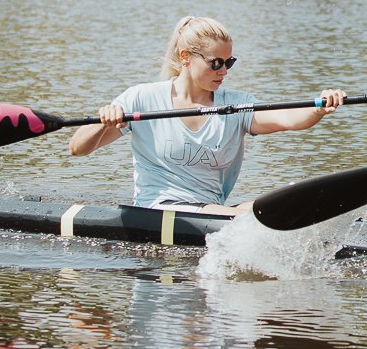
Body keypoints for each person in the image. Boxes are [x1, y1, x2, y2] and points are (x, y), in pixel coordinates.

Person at [68, 15, 344, 211]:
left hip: (210, 211)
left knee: (257, 208)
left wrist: (318, 106)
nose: (223, 71)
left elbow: (287, 119)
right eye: (215, 63)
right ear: (185, 56)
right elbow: (78, 148)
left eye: (229, 62)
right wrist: (103, 122)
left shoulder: (234, 105)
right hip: (156, 210)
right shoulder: (142, 98)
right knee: (252, 212)